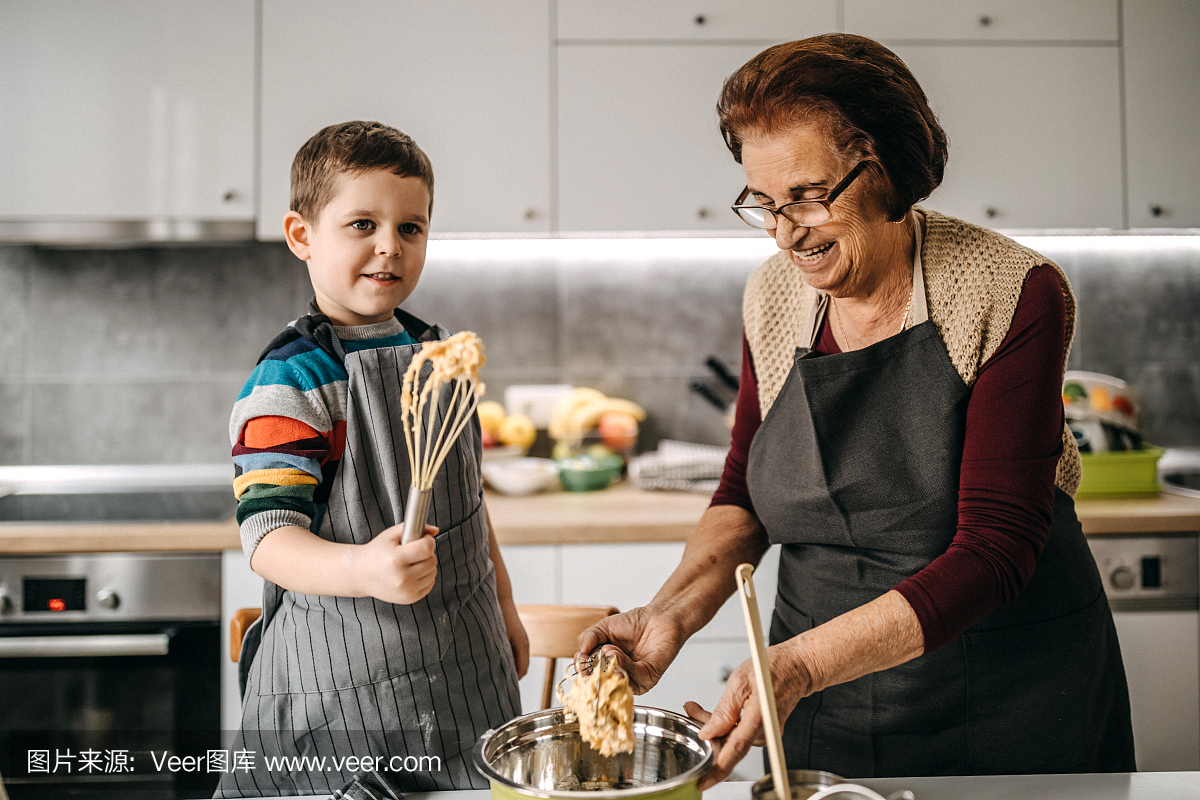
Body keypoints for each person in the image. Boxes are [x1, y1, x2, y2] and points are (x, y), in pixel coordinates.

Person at [580, 34, 1135, 782]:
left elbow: (997, 548)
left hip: (1011, 698)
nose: (784, 232)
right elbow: (743, 493)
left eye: (808, 197)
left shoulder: (1009, 291)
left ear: (886, 171)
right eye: (764, 203)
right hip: (822, 704)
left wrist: (800, 666)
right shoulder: (774, 298)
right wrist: (670, 614)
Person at [218, 121, 527, 797]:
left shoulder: (439, 356)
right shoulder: (293, 382)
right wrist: (362, 566)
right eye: (362, 223)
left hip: (464, 679)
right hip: (339, 704)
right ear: (302, 236)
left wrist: (503, 604)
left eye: (410, 228)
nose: (389, 245)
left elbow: (465, 498)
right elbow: (268, 541)